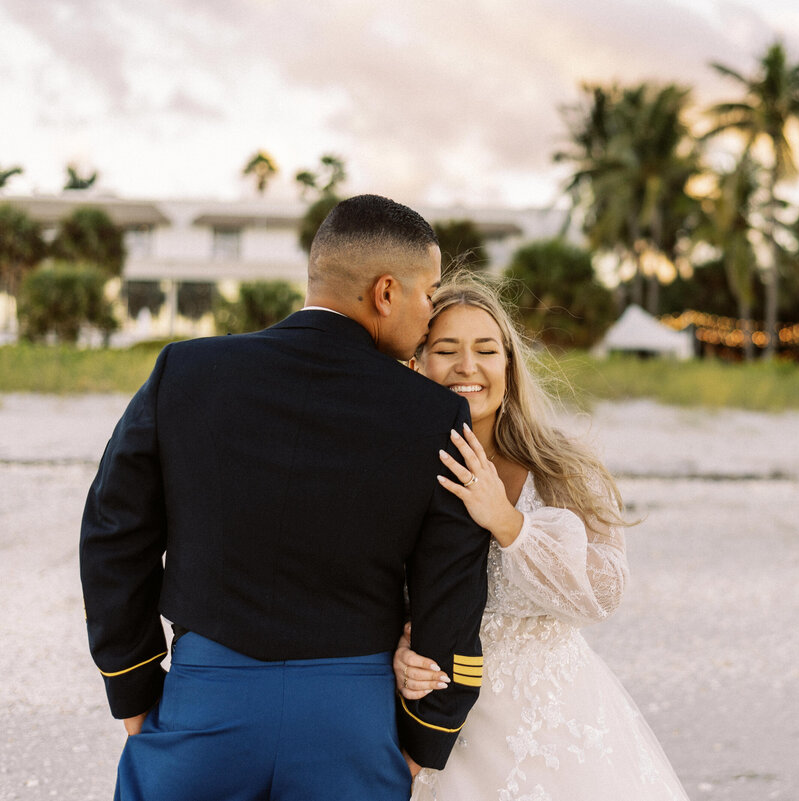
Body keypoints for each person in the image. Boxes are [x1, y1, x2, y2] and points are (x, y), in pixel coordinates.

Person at [79, 194, 491, 800]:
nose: (430, 316)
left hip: (203, 701)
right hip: (351, 719)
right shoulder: (436, 415)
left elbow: (114, 533)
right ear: (385, 293)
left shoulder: (184, 372)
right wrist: (424, 738)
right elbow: (451, 589)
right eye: (428, 294)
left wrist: (133, 684)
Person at [394, 277, 690, 800]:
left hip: (555, 731)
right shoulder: (396, 472)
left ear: (509, 365)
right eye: (446, 350)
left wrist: (506, 522)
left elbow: (603, 593)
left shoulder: (561, 468)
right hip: (439, 727)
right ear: (417, 363)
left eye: (486, 350)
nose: (468, 366)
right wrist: (398, 650)